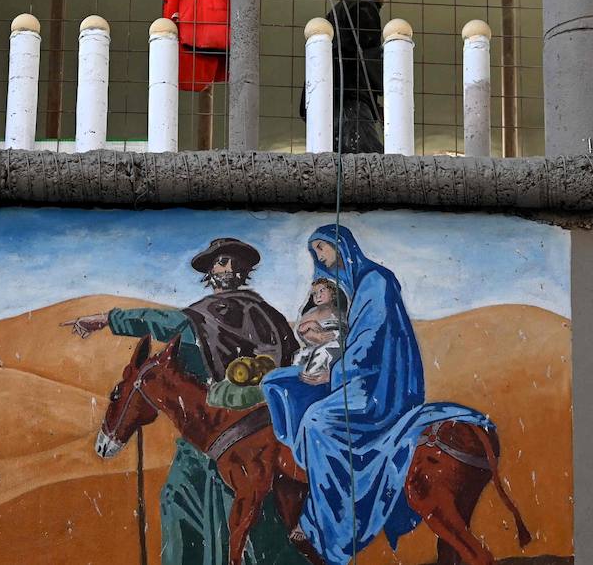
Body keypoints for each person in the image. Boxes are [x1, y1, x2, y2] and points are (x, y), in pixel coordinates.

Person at [63, 238, 303, 565]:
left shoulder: (238, 315)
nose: (227, 269)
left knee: (217, 511)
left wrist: (108, 319)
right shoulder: (216, 315)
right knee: (180, 502)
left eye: (233, 263)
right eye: (221, 263)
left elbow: (162, 324)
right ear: (210, 271)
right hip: (212, 437)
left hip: (244, 441)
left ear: (243, 271)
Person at [261, 224, 490, 565]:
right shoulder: (357, 286)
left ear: (341, 246)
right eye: (316, 252)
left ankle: (334, 525)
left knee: (317, 421)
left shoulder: (374, 282)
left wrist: (333, 372)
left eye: (322, 249)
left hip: (378, 387)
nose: (319, 257)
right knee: (284, 384)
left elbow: (368, 345)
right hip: (362, 376)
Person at [304, 0, 397, 154]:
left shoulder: (338, 11)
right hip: (350, 101)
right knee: (368, 164)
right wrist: (383, 98)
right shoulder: (363, 6)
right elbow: (367, 58)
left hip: (331, 99)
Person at [291, 279, 346, 383]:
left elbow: (343, 331)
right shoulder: (311, 313)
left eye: (322, 291)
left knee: (322, 352)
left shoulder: (338, 312)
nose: (318, 296)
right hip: (315, 344)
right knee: (300, 354)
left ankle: (312, 377)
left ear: (333, 294)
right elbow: (301, 331)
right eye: (314, 293)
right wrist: (311, 329)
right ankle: (296, 381)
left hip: (336, 344)